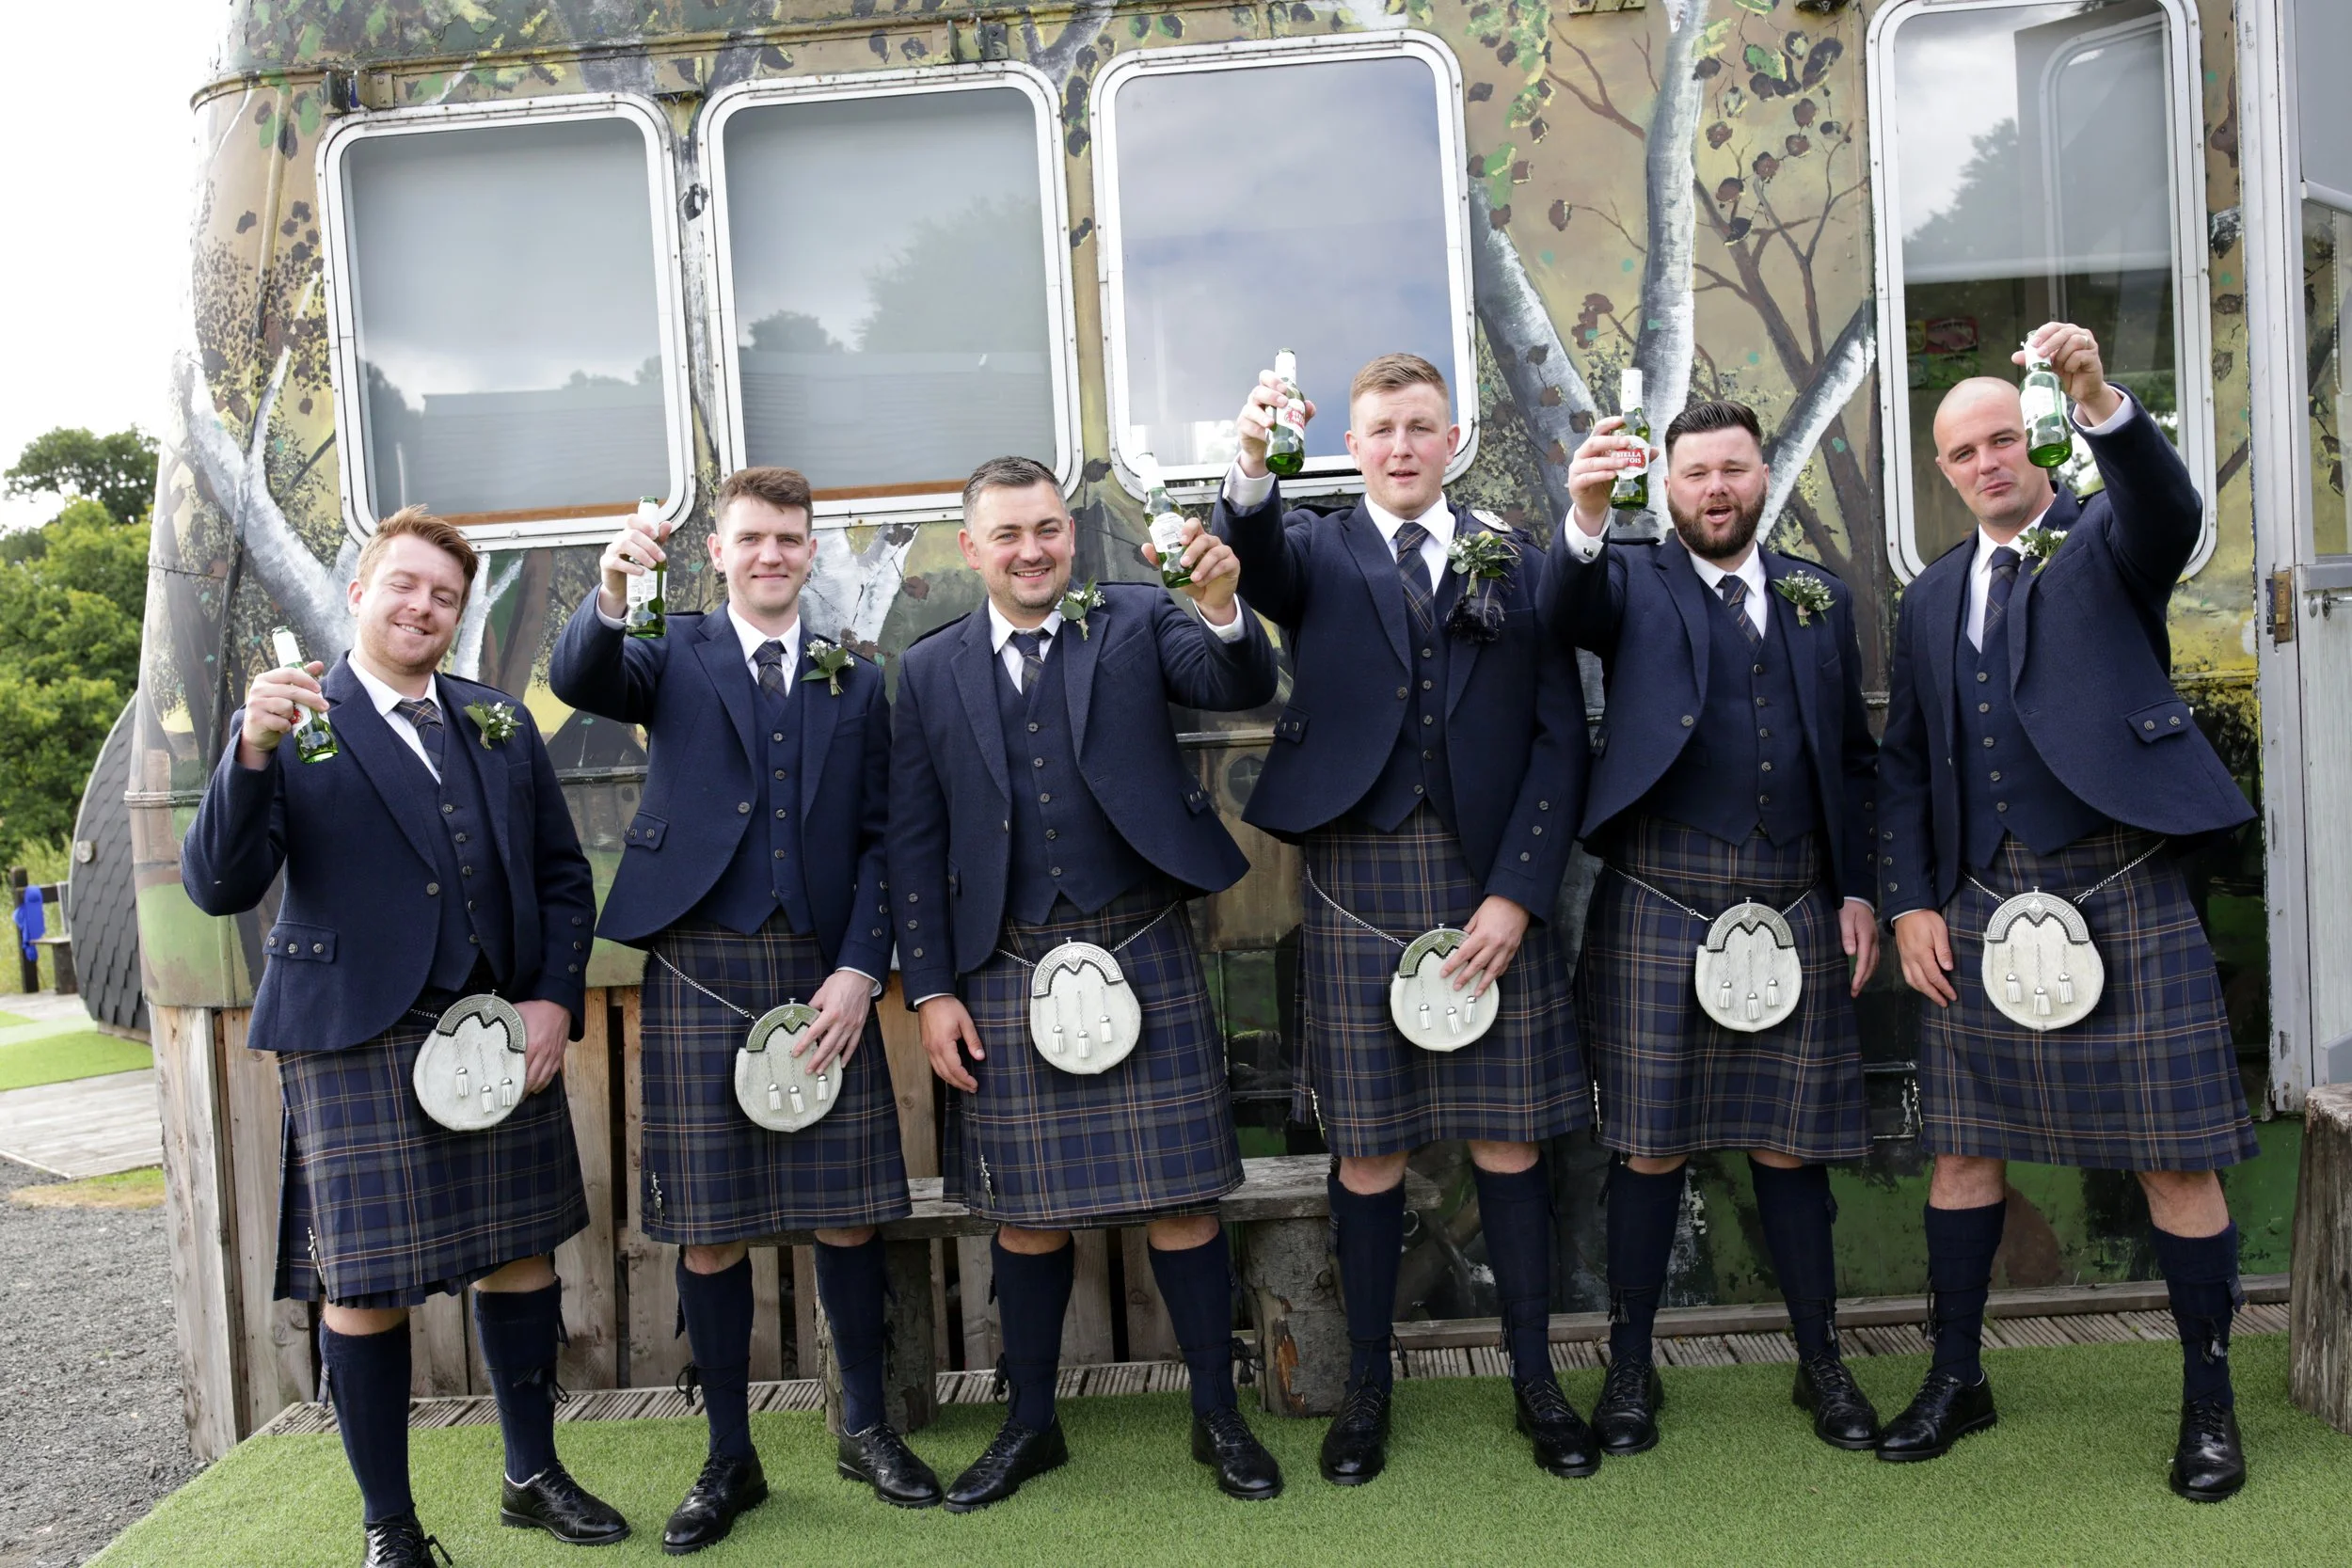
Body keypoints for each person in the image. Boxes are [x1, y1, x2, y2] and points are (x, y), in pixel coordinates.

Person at [183, 507, 625, 1567]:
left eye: (444, 596)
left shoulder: (495, 720)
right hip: (355, 1034)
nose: (423, 607)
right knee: (364, 1284)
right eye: (405, 585)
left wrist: (553, 998)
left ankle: (531, 1474)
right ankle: (389, 1525)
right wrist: (248, 750)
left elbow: (562, 877)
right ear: (358, 594)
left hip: (491, 1025)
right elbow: (218, 884)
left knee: (520, 1252)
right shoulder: (292, 718)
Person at [1877, 323, 2260, 1500]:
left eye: (2002, 438)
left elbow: (2168, 512)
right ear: (1941, 470)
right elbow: (1904, 765)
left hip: (2117, 878)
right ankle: (1957, 1376)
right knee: (1961, 1149)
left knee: (2174, 1155)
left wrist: (2098, 398)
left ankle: (2208, 1402)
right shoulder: (1929, 595)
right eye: (1960, 451)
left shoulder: (2103, 537)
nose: (1985, 462)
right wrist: (1909, 902)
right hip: (1977, 897)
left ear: (2035, 440)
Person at [1211, 354, 1596, 1483]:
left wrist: (1518, 893)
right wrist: (1250, 463)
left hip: (1486, 882)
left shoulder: (1515, 556)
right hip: (1355, 880)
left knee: (1509, 1138)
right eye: (1380, 428)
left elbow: (1557, 737)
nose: (1400, 446)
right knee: (1367, 1148)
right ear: (1354, 444)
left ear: (1452, 437)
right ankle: (1367, 1387)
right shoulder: (1312, 549)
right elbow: (1253, 552)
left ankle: (1534, 1378)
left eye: (1421, 426)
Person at [890, 455, 1283, 1511]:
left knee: (1182, 1201)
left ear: (1071, 535)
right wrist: (931, 988)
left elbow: (1235, 682)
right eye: (1008, 534)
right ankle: (1031, 1423)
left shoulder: (1138, 618)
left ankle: (1217, 1412)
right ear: (971, 547)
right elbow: (913, 839)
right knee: (1025, 1216)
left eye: (1049, 529)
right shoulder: (926, 670)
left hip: (1140, 938)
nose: (1032, 551)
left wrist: (1221, 606)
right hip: (1004, 960)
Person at [549, 467, 923, 1549]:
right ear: (715, 552)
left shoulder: (857, 675)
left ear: (810, 551)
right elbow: (582, 674)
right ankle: (729, 1454)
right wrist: (612, 588)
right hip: (699, 961)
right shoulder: (666, 649)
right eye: (751, 537)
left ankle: (864, 1427)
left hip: (820, 962)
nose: (771, 554)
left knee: (848, 1212)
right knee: (707, 1230)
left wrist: (861, 967)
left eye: (789, 538)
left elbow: (882, 838)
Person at [1550, 398, 1882, 1455]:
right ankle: (1630, 1364)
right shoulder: (1629, 580)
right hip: (1660, 895)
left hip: (1794, 896)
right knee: (1647, 1148)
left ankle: (1820, 1360)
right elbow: (1567, 601)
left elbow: (1853, 759)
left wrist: (1859, 889)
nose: (1716, 489)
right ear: (1670, 486)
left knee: (1792, 1146)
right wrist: (1587, 511)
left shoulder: (1819, 596)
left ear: (1762, 475)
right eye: (1695, 473)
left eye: (1733, 468)